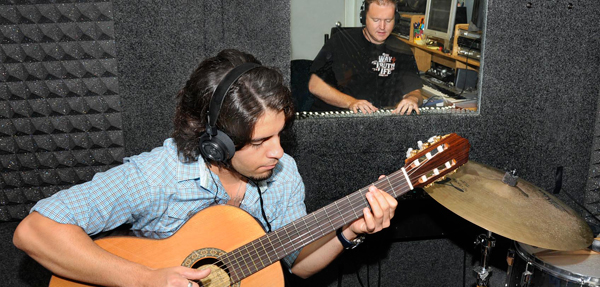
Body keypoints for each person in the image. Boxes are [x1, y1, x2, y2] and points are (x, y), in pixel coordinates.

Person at [13, 49, 398, 287]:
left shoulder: (283, 174)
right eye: (261, 141)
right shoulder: (158, 175)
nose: (279, 152)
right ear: (217, 142)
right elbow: (35, 231)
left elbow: (296, 265)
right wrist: (146, 279)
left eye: (281, 134)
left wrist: (348, 231)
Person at [308, 0, 423, 115]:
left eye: (388, 20)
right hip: (337, 117)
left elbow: (415, 91)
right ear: (363, 18)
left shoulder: (402, 50)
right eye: (376, 20)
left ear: (396, 20)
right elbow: (315, 85)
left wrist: (412, 99)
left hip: (377, 121)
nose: (382, 27)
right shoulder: (340, 41)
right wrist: (351, 102)